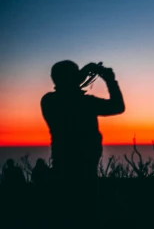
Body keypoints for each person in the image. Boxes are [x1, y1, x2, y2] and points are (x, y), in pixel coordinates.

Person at [41, 60, 125, 208]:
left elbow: (67, 91)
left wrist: (81, 74)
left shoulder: (49, 101)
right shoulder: (84, 102)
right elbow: (117, 106)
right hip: (84, 165)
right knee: (86, 205)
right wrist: (110, 80)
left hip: (62, 162)